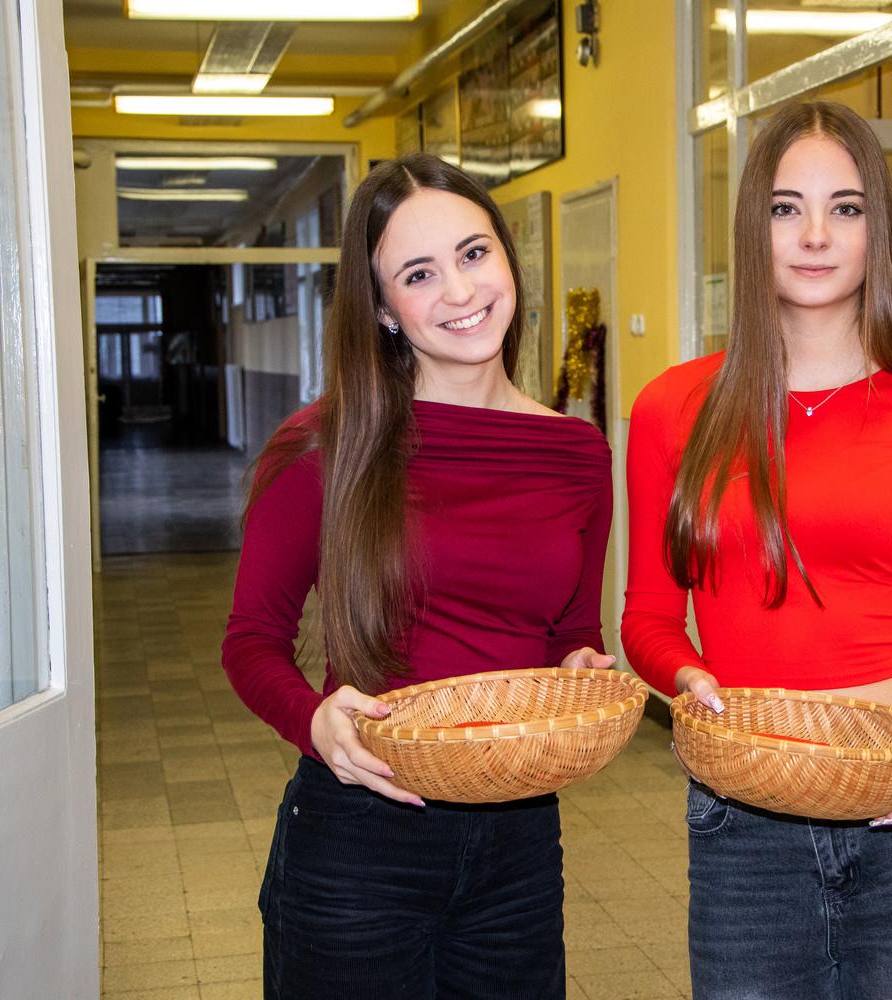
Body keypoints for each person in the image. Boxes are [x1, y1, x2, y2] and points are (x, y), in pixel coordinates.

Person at [622, 101, 892, 999]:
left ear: (880, 229)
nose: (816, 236)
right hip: (746, 810)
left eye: (846, 207)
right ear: (752, 227)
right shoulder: (673, 410)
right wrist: (686, 677)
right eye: (786, 208)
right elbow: (646, 618)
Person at [223, 152, 614, 1000]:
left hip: (517, 840)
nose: (461, 291)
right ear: (383, 309)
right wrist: (313, 721)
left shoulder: (577, 453)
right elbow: (251, 640)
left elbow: (569, 631)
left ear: (507, 256)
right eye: (419, 274)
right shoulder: (325, 446)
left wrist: (579, 668)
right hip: (360, 833)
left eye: (474, 254)